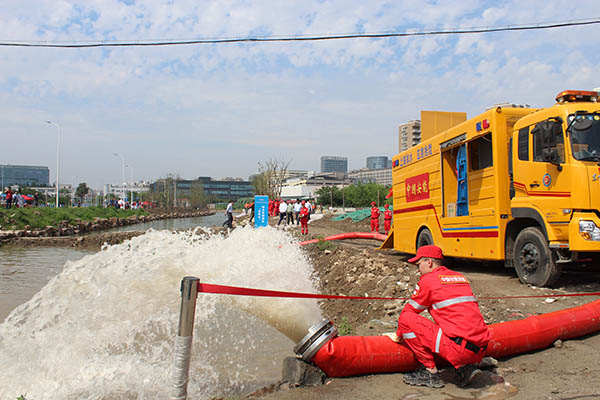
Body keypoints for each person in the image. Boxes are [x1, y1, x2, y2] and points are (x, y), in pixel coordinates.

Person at [383, 245, 491, 388]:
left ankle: (430, 372)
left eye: (419, 263)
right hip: (481, 349)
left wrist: (398, 336)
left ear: (429, 262)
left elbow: (408, 312)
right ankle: (465, 368)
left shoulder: (428, 281)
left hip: (459, 351)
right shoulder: (459, 277)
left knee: (405, 319)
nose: (417, 268)